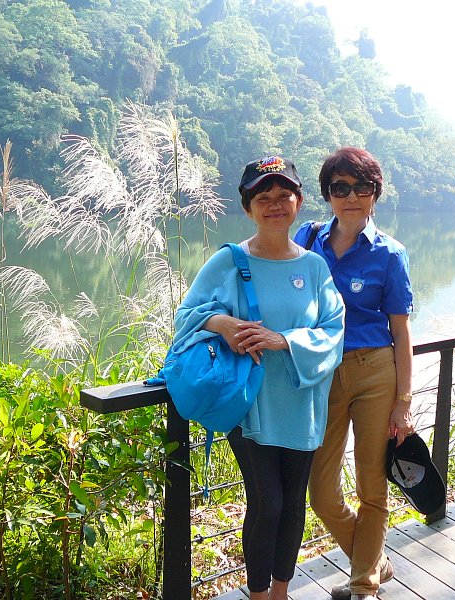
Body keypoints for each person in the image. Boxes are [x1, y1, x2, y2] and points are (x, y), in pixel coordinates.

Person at [173, 156, 345, 600]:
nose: (274, 205)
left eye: (284, 195)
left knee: (293, 504)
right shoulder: (228, 261)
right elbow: (186, 316)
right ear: (247, 207)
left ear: (299, 202)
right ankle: (258, 594)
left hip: (303, 403)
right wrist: (222, 324)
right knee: (267, 502)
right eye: (263, 197)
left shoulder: (314, 267)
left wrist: (283, 340)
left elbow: (333, 331)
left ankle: (281, 592)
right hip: (249, 402)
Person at [293, 147, 416, 600]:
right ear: (327, 194)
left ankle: (363, 586)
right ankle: (375, 561)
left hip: (375, 371)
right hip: (322, 372)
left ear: (375, 194)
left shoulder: (390, 254)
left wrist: (404, 403)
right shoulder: (307, 240)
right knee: (322, 493)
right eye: (340, 188)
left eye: (361, 187)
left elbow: (401, 332)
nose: (350, 197)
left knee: (371, 482)